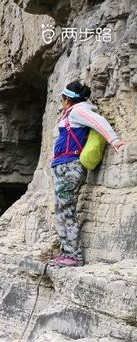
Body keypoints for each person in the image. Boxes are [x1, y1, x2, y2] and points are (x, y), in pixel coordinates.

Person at [50, 81, 126, 267]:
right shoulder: (72, 112)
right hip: (63, 166)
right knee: (62, 211)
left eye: (63, 99)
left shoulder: (78, 111)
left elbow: (99, 121)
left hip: (70, 166)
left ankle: (73, 256)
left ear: (68, 99)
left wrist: (115, 140)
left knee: (66, 211)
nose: (62, 102)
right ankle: (66, 252)